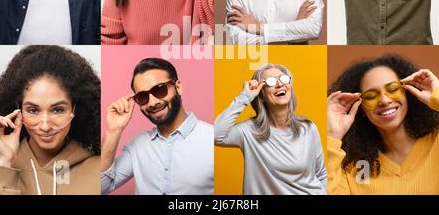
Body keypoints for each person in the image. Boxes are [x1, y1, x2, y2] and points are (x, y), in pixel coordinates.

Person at [0, 45, 101, 195]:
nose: (45, 126)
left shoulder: (98, 170)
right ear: (19, 110)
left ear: (75, 109)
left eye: (58, 110)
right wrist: (6, 163)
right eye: (33, 110)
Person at [327, 54, 439, 194]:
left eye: (392, 89)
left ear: (407, 93)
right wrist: (332, 135)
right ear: (360, 108)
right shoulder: (353, 169)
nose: (385, 101)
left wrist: (437, 95)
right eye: (371, 96)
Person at [101, 58, 213, 195]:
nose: (152, 103)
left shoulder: (212, 139)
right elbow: (101, 187)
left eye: (159, 90)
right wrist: (113, 131)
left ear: (178, 87)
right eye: (142, 97)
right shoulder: (138, 145)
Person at [214, 64, 326, 195]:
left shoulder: (308, 128)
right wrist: (245, 96)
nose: (279, 84)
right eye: (271, 81)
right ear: (261, 94)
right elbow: (215, 134)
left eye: (283, 79)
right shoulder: (248, 131)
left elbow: (321, 173)